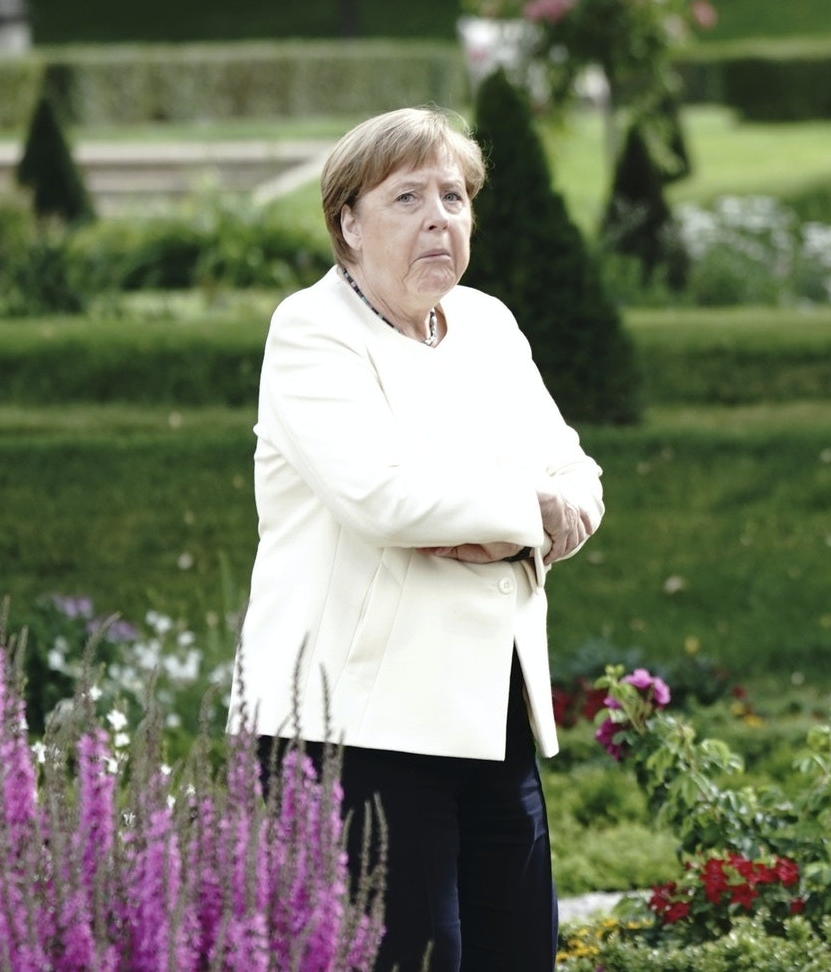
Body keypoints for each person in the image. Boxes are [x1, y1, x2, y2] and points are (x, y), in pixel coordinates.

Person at [229, 106, 604, 972]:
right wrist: (531, 516)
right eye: (407, 198)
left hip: (492, 713)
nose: (440, 218)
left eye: (454, 196)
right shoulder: (312, 331)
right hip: (358, 727)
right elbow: (387, 498)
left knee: (519, 955)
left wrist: (508, 521)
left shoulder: (489, 325)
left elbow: (579, 476)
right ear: (348, 225)